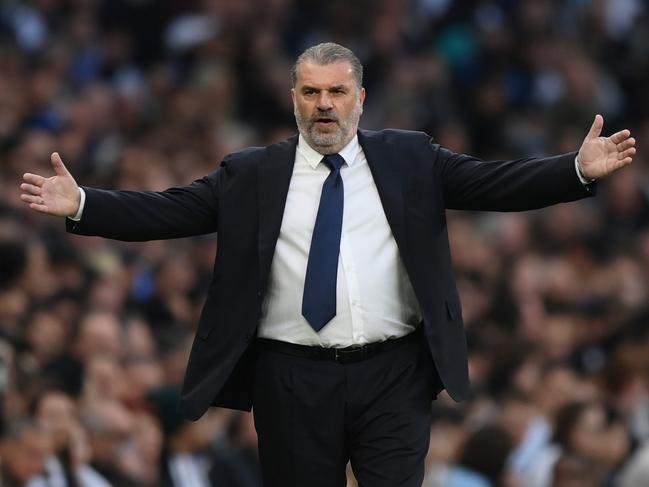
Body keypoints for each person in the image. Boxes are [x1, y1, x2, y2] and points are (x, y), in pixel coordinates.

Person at [19, 42, 636, 486]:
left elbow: (495, 184)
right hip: (290, 378)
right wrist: (84, 205)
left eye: (337, 92)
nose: (324, 105)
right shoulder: (253, 173)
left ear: (360, 99)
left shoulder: (409, 158)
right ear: (293, 99)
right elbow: (170, 212)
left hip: (394, 372)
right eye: (311, 92)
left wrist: (574, 169)